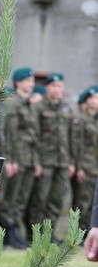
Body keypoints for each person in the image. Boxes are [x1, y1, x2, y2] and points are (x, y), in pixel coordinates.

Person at [27, 73, 76, 243]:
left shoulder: (67, 108)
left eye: (60, 86)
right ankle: (35, 234)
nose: (57, 89)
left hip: (62, 161)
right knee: (40, 198)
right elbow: (33, 135)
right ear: (48, 87)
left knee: (57, 199)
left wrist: (71, 162)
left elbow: (71, 137)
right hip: (45, 160)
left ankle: (50, 234)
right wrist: (36, 161)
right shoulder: (39, 107)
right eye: (54, 86)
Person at [0, 67, 42, 249]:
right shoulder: (13, 103)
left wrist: (37, 161)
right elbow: (10, 134)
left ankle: (16, 231)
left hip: (29, 159)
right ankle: (8, 233)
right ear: (18, 82)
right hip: (17, 159)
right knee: (10, 199)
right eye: (28, 80)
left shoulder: (28, 104)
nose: (31, 83)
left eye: (32, 80)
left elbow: (34, 136)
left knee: (21, 200)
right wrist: (10, 160)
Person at [71, 85, 98, 236]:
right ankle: (78, 233)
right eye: (94, 98)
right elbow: (77, 145)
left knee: (93, 203)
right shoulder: (81, 119)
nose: (97, 101)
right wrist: (79, 167)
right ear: (87, 101)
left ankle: (89, 230)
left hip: (95, 166)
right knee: (83, 201)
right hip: (85, 165)